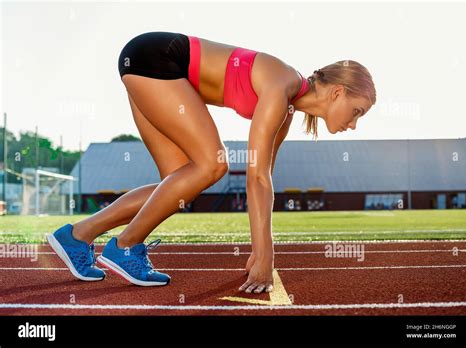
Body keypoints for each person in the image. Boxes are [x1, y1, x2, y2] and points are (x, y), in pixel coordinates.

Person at [47, 31, 376, 293]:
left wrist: (262, 252)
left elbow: (264, 179)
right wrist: (265, 256)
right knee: (212, 165)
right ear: (337, 93)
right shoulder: (282, 84)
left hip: (148, 60)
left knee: (177, 184)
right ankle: (126, 245)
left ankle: (76, 235)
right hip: (157, 59)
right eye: (357, 112)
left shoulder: (286, 107)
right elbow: (256, 179)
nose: (353, 123)